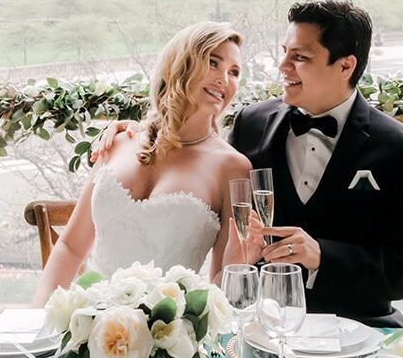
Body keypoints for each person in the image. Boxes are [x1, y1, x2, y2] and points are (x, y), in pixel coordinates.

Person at [96, 0, 403, 328]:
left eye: (299, 57)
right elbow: (196, 162)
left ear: (345, 65)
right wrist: (139, 131)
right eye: (285, 52)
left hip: (360, 330)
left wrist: (322, 257)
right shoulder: (251, 123)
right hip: (261, 330)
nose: (283, 66)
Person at [32, 22, 260, 307]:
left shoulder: (233, 168)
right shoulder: (116, 142)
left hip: (171, 338)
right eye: (213, 63)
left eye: (234, 72)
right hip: (92, 328)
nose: (224, 79)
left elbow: (219, 289)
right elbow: (69, 247)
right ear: (181, 64)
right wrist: (39, 320)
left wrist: (238, 264)